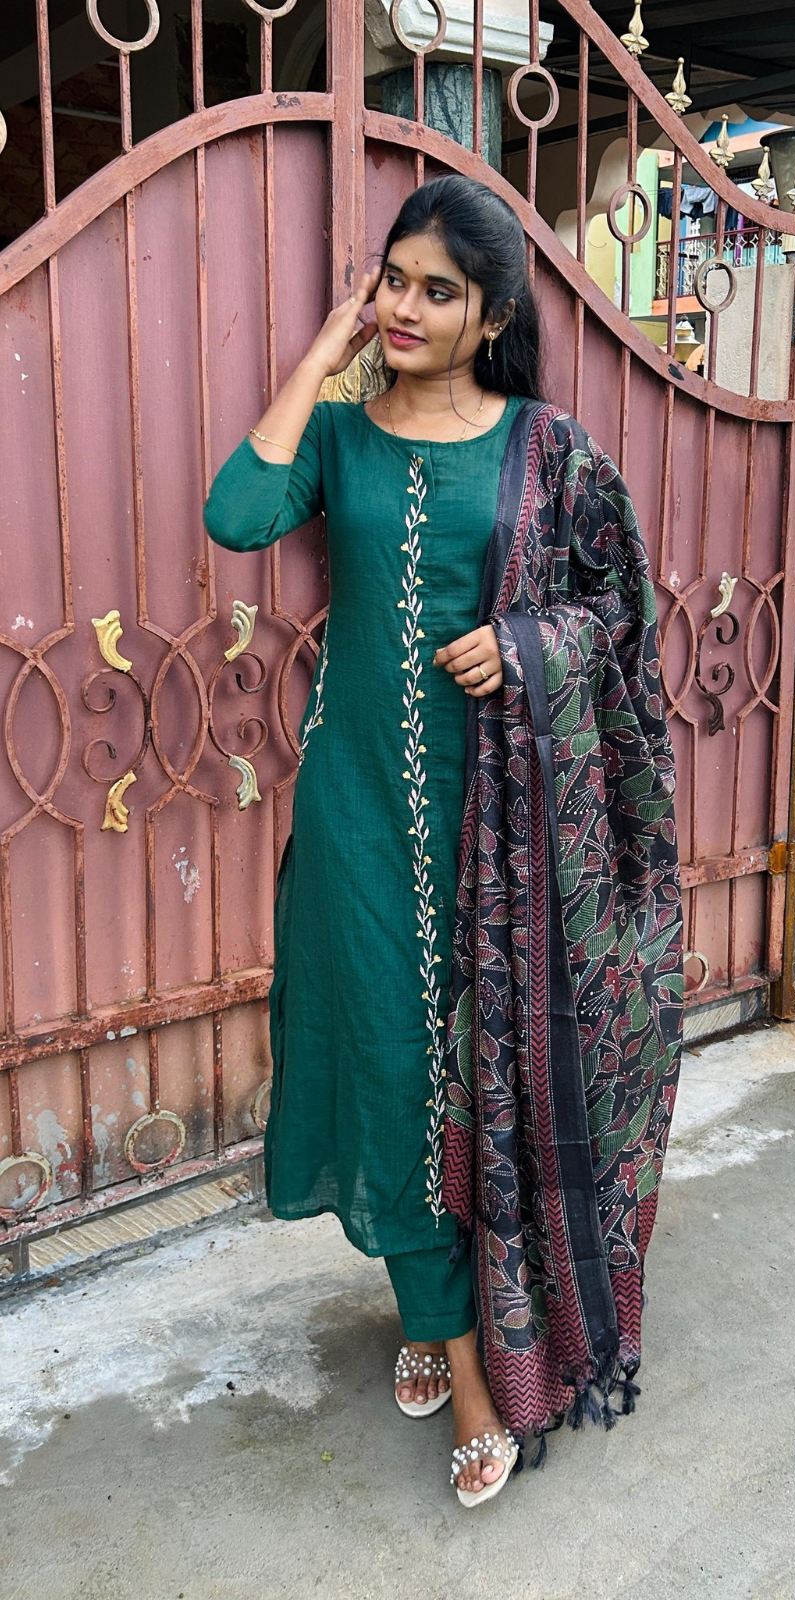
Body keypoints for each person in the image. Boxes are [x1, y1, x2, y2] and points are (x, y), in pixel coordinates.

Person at [204, 175, 682, 1508]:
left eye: (437, 290)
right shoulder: (340, 439)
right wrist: (324, 353)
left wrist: (525, 644)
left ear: (492, 316)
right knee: (392, 1071)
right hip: (358, 814)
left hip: (509, 835)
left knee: (485, 1089)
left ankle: (445, 1317)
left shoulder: (546, 447)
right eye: (393, 280)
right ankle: (466, 1365)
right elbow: (237, 515)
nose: (405, 308)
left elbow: (622, 610)